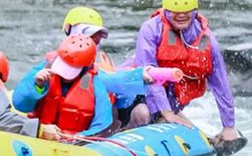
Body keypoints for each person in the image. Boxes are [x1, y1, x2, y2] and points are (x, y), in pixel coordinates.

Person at [128, 0, 241, 151]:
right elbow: (148, 74)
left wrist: (229, 126)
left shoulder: (206, 40)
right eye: (175, 12)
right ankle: (119, 137)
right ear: (166, 11)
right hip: (137, 97)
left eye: (186, 12)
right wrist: (166, 112)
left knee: (200, 142)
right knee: (143, 114)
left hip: (169, 107)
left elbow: (220, 83)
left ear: (195, 12)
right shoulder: (151, 29)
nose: (181, 16)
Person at [14, 34, 181, 140]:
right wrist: (36, 86)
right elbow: (19, 103)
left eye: (69, 70)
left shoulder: (95, 83)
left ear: (85, 67)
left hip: (73, 142)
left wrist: (78, 138)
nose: (64, 74)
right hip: (41, 135)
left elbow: (103, 124)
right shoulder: (45, 70)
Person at [61, 6, 115, 72]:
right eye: (88, 33)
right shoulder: (52, 64)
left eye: (98, 33)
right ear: (68, 30)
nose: (96, 38)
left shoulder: (105, 62)